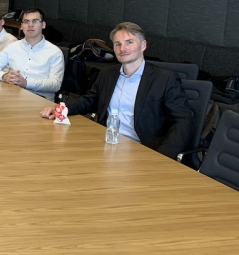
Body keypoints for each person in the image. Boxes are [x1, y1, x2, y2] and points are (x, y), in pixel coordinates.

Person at [40, 22, 194, 159]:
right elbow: (89, 101)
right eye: (117, 44)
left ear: (143, 45)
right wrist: (61, 109)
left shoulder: (165, 79)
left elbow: (183, 122)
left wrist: (163, 157)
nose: (123, 48)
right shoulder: (108, 74)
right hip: (107, 143)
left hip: (143, 150)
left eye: (129, 42)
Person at [0, 8, 64, 100]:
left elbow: (55, 85)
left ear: (43, 25)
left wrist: (26, 83)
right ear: (21, 26)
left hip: (40, 100)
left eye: (35, 21)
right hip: (13, 95)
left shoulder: (55, 52)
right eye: (26, 21)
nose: (30, 25)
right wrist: (4, 76)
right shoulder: (12, 47)